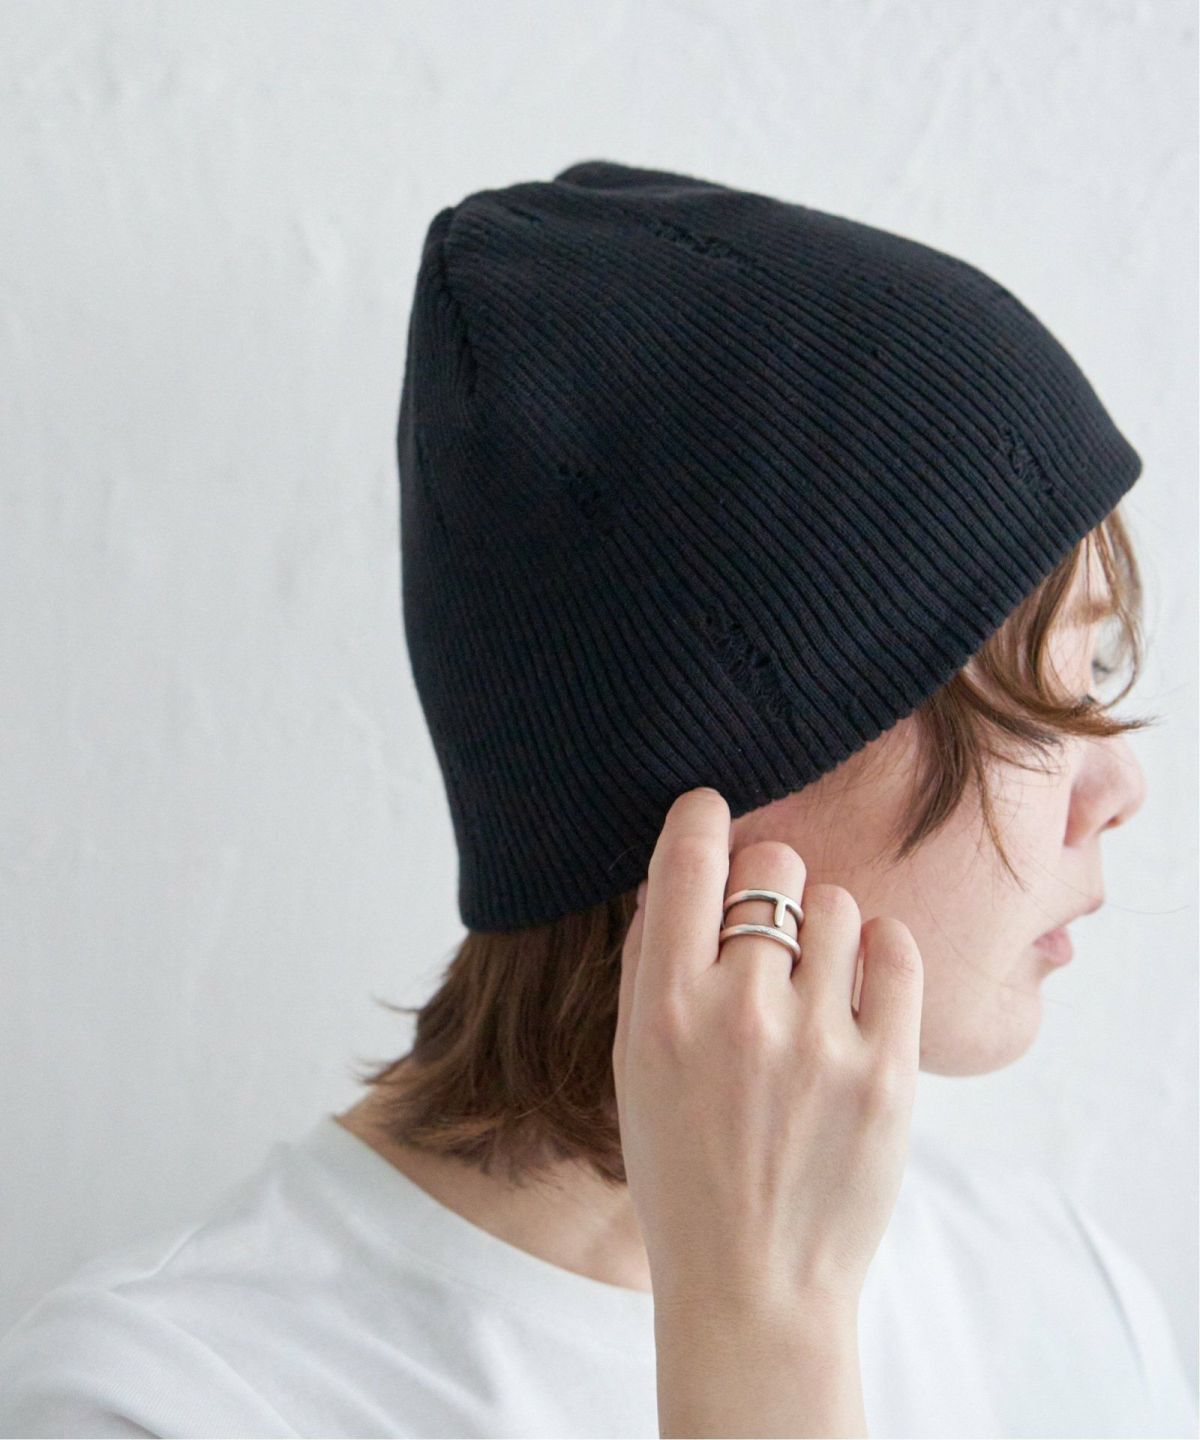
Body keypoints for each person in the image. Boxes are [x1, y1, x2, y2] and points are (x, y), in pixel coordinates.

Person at [1, 161, 1195, 1438]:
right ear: (736, 769)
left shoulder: (1055, 1293)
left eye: (1097, 668)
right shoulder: (164, 1403)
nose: (1116, 787)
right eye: (1036, 695)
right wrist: (763, 1334)